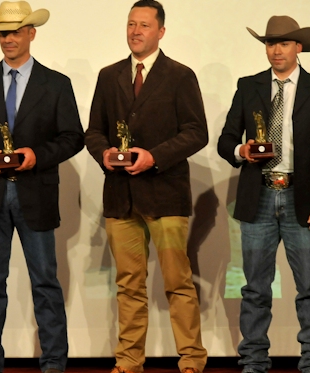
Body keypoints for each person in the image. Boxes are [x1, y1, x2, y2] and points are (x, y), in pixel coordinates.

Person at [0, 1, 84, 373]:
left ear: (31, 33)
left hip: (36, 193)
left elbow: (73, 137)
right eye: (3, 32)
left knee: (44, 281)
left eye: (14, 31)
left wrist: (36, 155)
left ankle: (54, 362)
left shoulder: (56, 83)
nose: (8, 38)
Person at [84, 1, 208, 372]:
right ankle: (128, 362)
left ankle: (191, 360)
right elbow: (93, 131)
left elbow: (196, 133)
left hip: (166, 196)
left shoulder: (180, 75)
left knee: (178, 282)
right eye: (131, 24)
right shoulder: (109, 76)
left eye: (143, 25)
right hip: (120, 199)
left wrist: (153, 157)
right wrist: (104, 153)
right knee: (129, 285)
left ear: (161, 32)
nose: (135, 31)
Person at [217, 15, 310, 373]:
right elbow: (226, 139)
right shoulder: (249, 86)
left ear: (298, 47)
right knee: (256, 288)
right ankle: (254, 361)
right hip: (257, 195)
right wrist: (240, 151)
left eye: (284, 43)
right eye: (271, 43)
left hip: (301, 200)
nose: (276, 50)